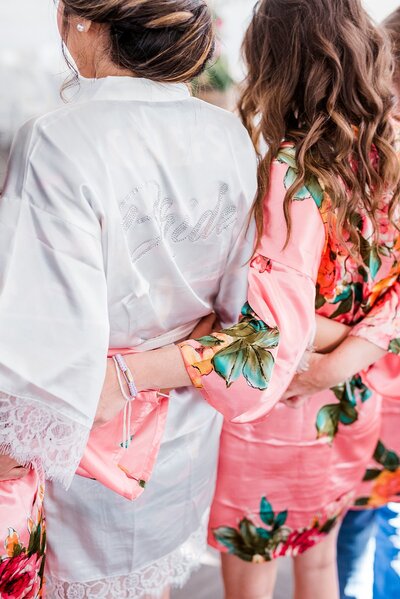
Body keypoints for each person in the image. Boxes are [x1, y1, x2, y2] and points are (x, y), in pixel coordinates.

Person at [98, 1, 400, 598]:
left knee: (252, 578)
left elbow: (266, 337)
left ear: (271, 67)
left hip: (281, 418)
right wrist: (346, 353)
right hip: (349, 405)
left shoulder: (290, 175)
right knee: (317, 564)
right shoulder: (383, 163)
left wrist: (130, 370)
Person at [0, 1, 265, 596]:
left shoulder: (55, 140)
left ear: (82, 22)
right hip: (183, 429)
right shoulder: (227, 134)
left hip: (82, 441)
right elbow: (240, 307)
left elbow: (37, 324)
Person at [336, 8, 400, 599]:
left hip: (367, 371)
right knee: (361, 516)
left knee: (368, 519)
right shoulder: (367, 156)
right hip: (369, 378)